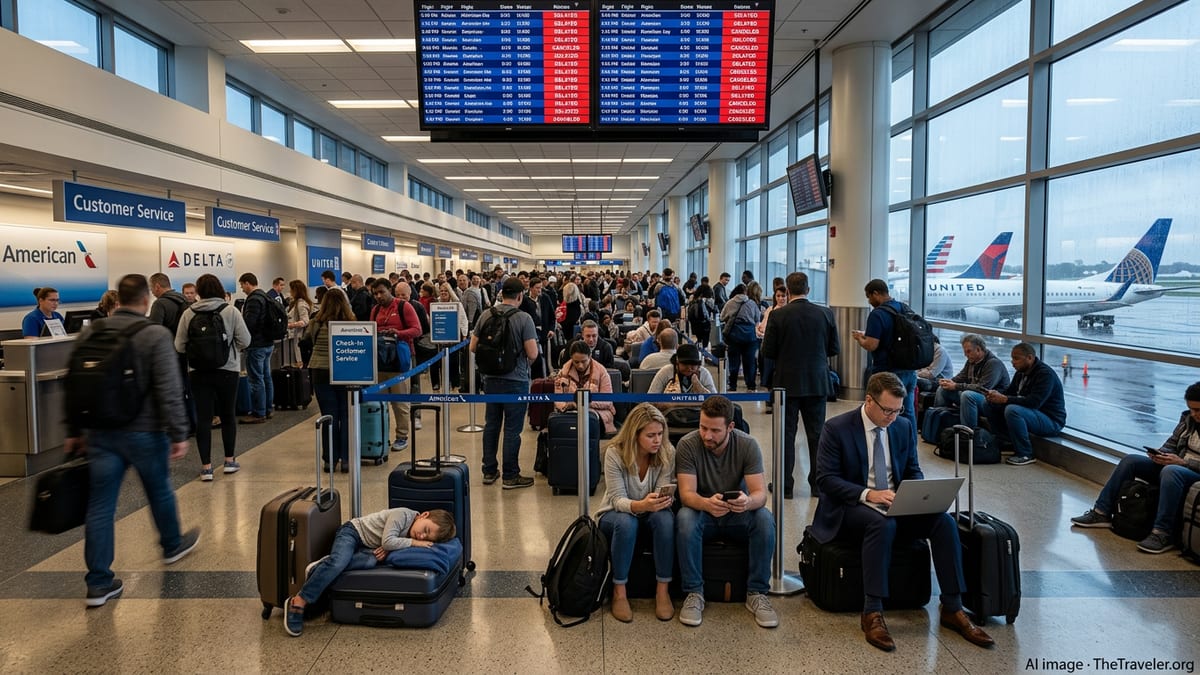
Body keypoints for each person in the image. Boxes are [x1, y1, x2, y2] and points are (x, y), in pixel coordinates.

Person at [812, 372, 995, 652]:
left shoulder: (903, 426)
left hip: (895, 502)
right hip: (851, 506)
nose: (892, 417)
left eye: (898, 410)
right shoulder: (837, 428)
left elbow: (911, 469)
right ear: (869, 400)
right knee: (881, 525)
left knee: (943, 522)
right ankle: (872, 611)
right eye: (887, 410)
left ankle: (953, 606)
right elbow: (825, 479)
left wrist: (917, 495)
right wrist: (868, 494)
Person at [67, 273, 201, 607]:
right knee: (159, 490)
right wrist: (179, 432)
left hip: (100, 433)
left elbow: (74, 384)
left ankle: (98, 583)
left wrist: (73, 430)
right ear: (146, 299)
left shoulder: (92, 331)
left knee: (100, 506)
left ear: (117, 299)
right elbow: (169, 388)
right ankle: (172, 544)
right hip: (145, 431)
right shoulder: (153, 334)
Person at [674, 395, 778, 629]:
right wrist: (706, 503)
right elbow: (686, 494)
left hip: (737, 514)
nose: (707, 435)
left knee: (764, 518)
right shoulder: (688, 445)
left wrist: (747, 502)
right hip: (704, 512)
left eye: (714, 430)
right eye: (702, 427)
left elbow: (760, 494)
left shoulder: (747, 444)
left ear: (730, 427)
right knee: (684, 518)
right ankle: (694, 592)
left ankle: (757, 592)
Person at [284, 508, 456, 636]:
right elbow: (388, 542)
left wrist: (392, 545)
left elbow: (389, 544)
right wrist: (411, 543)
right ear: (424, 515)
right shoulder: (402, 515)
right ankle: (299, 600)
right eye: (425, 530)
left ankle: (325, 565)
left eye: (427, 538)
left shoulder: (414, 529)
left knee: (371, 561)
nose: (422, 537)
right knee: (339, 563)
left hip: (369, 546)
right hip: (352, 533)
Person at [1071, 382, 1200, 554]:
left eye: (1198, 410)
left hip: (1190, 471)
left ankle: (1162, 532)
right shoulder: (1188, 419)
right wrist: (1161, 454)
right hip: (1175, 465)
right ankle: (1101, 512)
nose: (1194, 414)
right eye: (1191, 409)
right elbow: (1172, 444)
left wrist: (1183, 463)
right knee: (1130, 461)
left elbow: (1180, 465)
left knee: (1171, 471)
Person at [761, 271, 840, 498]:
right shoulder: (825, 314)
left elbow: (768, 351)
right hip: (817, 382)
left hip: (786, 383)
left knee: (786, 434)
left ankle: (785, 485)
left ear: (787, 290)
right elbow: (834, 349)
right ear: (808, 289)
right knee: (817, 435)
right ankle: (817, 484)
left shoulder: (778, 315)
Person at [597, 403, 676, 622]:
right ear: (635, 434)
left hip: (651, 511)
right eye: (651, 435)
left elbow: (662, 490)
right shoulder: (615, 453)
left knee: (665, 520)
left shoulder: (667, 452)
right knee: (626, 522)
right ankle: (619, 591)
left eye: (660, 434)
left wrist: (663, 500)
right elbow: (616, 499)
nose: (657, 440)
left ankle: (663, 590)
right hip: (614, 513)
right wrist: (641, 505)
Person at [176, 274, 251, 480]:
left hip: (198, 372)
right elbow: (245, 340)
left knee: (203, 418)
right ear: (219, 289)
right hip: (228, 370)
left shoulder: (188, 313)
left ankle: (206, 467)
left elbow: (179, 345)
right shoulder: (231, 311)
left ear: (198, 291)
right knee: (227, 415)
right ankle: (229, 461)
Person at [471, 277, 540, 489]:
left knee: (491, 425)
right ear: (520, 296)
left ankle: (489, 471)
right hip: (516, 380)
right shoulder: (524, 318)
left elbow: (473, 347)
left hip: (490, 380)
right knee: (512, 429)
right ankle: (510, 475)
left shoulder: (486, 315)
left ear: (502, 294)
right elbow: (532, 353)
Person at [960, 342, 1065, 466]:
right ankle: (1005, 440)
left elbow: (1034, 402)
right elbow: (1010, 392)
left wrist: (1004, 399)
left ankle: (1025, 453)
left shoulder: (1045, 375)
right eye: (1012, 358)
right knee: (988, 404)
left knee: (1012, 410)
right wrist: (995, 396)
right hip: (1033, 414)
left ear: (1030, 358)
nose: (1012, 362)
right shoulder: (1021, 372)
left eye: (1016, 358)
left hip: (1051, 420)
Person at [851, 279, 917, 436]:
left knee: (886, 413)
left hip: (888, 372)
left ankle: (890, 445)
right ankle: (909, 447)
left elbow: (872, 345)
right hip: (909, 370)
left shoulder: (878, 314)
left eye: (869, 297)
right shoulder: (903, 308)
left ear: (876, 293)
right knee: (907, 413)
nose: (869, 301)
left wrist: (860, 338)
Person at [301, 288, 354, 471]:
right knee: (346, 415)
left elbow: (308, 340)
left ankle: (329, 460)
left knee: (329, 415)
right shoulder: (351, 321)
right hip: (345, 371)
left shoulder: (316, 321)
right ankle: (347, 459)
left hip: (320, 370)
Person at [370, 279, 421, 453]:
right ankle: (382, 435)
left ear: (389, 290)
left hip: (400, 361)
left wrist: (398, 333)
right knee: (380, 402)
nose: (379, 296)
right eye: (375, 293)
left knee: (400, 403)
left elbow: (417, 330)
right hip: (380, 361)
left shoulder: (403, 307)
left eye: (382, 292)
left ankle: (402, 436)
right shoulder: (375, 310)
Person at [554, 340, 618, 436]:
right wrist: (565, 407)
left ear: (590, 356)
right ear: (571, 358)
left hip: (597, 414)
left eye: (584, 361)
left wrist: (581, 403)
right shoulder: (562, 373)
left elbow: (607, 401)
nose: (580, 365)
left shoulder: (602, 372)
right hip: (569, 413)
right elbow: (558, 399)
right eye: (576, 362)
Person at [934, 334, 1011, 410]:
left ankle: (968, 423)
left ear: (978, 349)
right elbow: (961, 377)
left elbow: (983, 389)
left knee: (967, 395)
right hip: (976, 396)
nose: (965, 355)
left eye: (968, 351)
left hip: (991, 401)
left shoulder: (993, 363)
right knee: (943, 389)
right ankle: (938, 416)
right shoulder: (971, 360)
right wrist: (948, 382)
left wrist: (956, 386)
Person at [238, 273, 276, 424]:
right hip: (268, 343)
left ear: (248, 283)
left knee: (256, 379)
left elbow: (249, 324)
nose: (242, 289)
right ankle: (267, 408)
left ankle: (258, 412)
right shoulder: (266, 296)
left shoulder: (253, 299)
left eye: (242, 285)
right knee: (266, 377)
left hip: (257, 345)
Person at [720, 281, 763, 392]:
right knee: (749, 362)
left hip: (734, 336)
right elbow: (757, 319)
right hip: (750, 337)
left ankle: (733, 385)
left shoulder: (730, 303)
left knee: (734, 361)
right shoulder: (752, 303)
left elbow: (722, 317)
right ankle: (751, 386)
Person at [647, 343, 715, 399]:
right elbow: (650, 398)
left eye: (693, 365)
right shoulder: (666, 372)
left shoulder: (704, 373)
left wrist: (700, 389)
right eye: (685, 364)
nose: (689, 368)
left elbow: (715, 399)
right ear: (677, 363)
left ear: (698, 365)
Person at [756, 285, 789, 401]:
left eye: (783, 296)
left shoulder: (789, 311)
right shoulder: (771, 310)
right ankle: (770, 399)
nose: (781, 299)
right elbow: (763, 325)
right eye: (778, 296)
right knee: (770, 374)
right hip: (770, 346)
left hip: (783, 349)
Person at [286, 280, 313, 367]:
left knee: (299, 361)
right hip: (295, 336)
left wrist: (290, 325)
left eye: (291, 289)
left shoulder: (301, 304)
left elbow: (305, 321)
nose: (290, 291)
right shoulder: (295, 303)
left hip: (299, 336)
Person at [687, 283, 716, 349]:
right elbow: (713, 308)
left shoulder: (693, 298)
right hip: (705, 323)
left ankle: (699, 347)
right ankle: (704, 352)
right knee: (705, 340)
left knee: (699, 338)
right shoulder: (709, 300)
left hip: (695, 323)